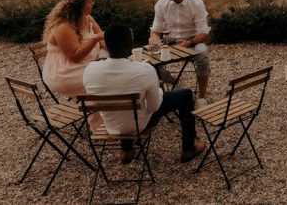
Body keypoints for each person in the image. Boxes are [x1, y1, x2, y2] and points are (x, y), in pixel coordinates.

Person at [83, 22, 205, 165]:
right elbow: (154, 106)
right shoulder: (144, 70)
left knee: (122, 96)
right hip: (140, 124)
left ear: (107, 45)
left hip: (112, 125)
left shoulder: (90, 71)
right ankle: (188, 148)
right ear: (130, 44)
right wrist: (158, 89)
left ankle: (127, 149)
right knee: (184, 95)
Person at [150, 0, 212, 99]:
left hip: (192, 41)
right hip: (169, 41)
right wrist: (155, 39)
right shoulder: (162, 3)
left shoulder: (196, 3)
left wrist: (189, 42)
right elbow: (155, 30)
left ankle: (202, 96)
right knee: (150, 61)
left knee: (203, 54)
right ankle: (173, 84)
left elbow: (204, 33)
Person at [41, 0, 105, 99]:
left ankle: (104, 110)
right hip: (65, 71)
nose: (93, 3)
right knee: (105, 80)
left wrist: (119, 53)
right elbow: (75, 56)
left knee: (114, 71)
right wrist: (95, 39)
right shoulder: (63, 27)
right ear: (81, 7)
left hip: (88, 62)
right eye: (89, 1)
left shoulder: (87, 18)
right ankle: (101, 112)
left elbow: (103, 39)